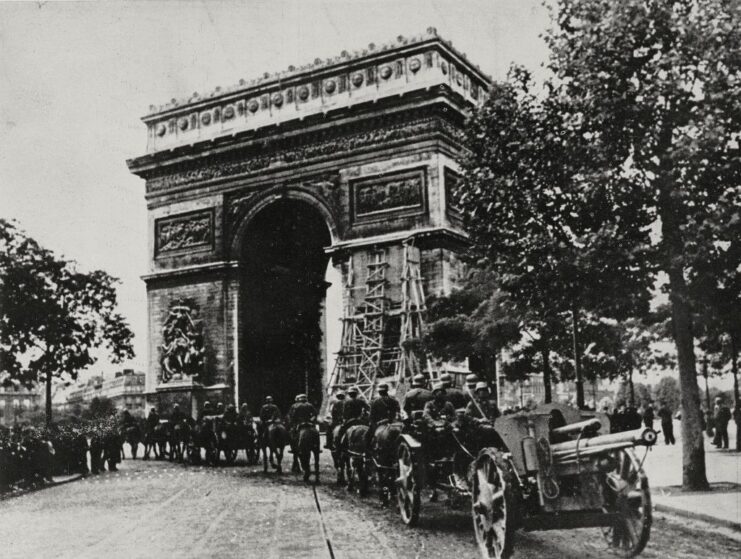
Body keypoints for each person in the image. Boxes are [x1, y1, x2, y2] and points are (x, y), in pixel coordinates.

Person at [366, 383, 400, 448]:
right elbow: (397, 412)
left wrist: (373, 423)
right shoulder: (394, 401)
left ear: (379, 392)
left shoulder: (375, 402)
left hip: (379, 423)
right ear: (387, 390)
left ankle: (367, 453)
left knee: (367, 436)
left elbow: (371, 416)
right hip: (394, 423)